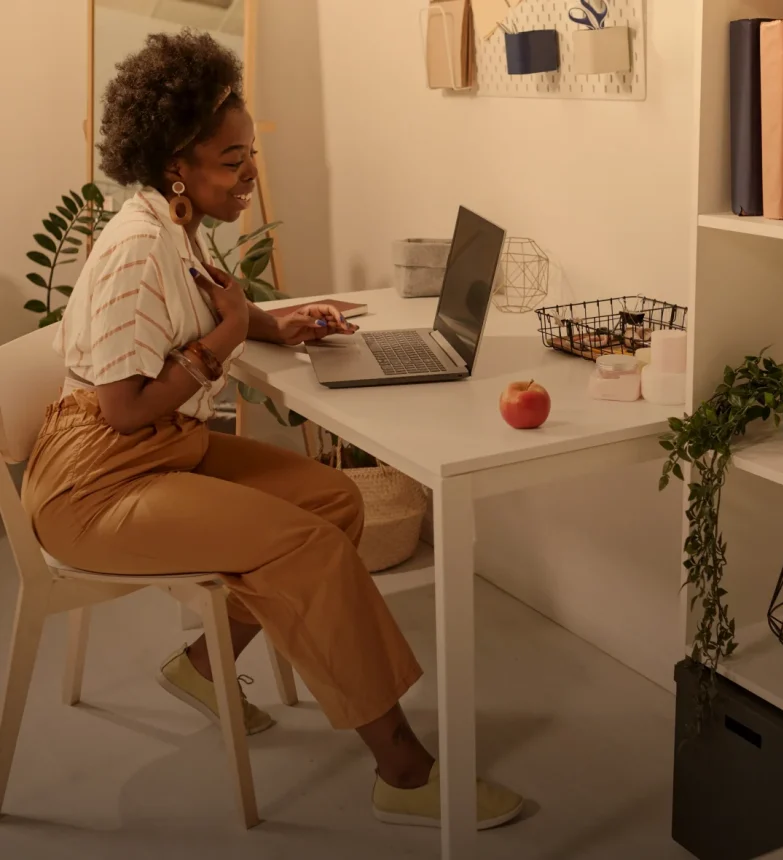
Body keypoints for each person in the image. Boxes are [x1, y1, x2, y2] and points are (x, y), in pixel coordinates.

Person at [21, 29, 522, 830]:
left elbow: (203, 309)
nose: (251, 171)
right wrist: (225, 338)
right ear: (176, 163)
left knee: (332, 502)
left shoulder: (172, 227)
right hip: (97, 481)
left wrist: (269, 326)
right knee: (307, 547)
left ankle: (197, 668)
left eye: (249, 152)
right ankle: (403, 768)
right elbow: (122, 406)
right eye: (232, 159)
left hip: (155, 450)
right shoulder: (137, 248)